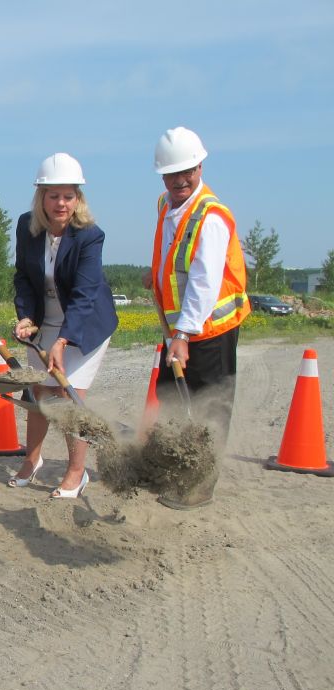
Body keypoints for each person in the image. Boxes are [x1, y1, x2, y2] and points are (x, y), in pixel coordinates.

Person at [144, 127, 250, 509]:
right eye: (172, 173)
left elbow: (204, 280)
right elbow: (176, 260)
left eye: (187, 171)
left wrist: (184, 336)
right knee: (170, 396)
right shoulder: (166, 204)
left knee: (207, 405)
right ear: (162, 175)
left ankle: (200, 485)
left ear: (200, 166)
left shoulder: (212, 215)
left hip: (209, 329)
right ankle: (176, 470)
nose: (180, 179)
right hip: (180, 328)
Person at [11, 153, 118, 498]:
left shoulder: (90, 236)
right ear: (41, 196)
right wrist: (26, 317)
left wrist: (64, 340)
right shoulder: (27, 226)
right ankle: (32, 460)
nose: (61, 203)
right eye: (53, 195)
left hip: (84, 324)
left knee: (69, 395)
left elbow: (86, 295)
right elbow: (24, 279)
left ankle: (76, 472)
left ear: (78, 199)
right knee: (39, 391)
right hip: (45, 321)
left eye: (68, 195)